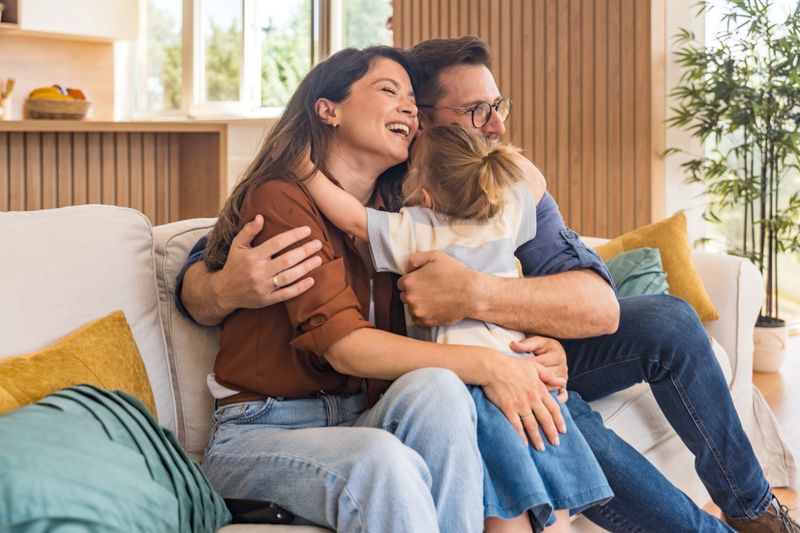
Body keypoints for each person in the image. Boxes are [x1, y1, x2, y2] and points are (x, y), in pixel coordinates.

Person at [177, 37, 799, 532]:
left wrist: (495, 308)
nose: (496, 125)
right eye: (476, 112)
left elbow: (595, 302)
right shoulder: (377, 188)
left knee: (666, 321)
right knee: (530, 405)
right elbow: (211, 259)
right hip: (427, 371)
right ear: (423, 121)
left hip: (485, 345)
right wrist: (219, 288)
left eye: (498, 107)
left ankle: (752, 508)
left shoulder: (497, 183)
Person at [196, 45, 574, 533]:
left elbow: (487, 273)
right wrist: (491, 365)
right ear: (328, 109)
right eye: (388, 90)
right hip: (264, 430)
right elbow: (346, 348)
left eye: (413, 100)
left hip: (362, 414)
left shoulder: (408, 210)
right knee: (382, 459)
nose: (409, 108)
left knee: (440, 387)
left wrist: (531, 349)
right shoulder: (280, 196)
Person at [304, 123, 614, 532]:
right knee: (553, 504)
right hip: (527, 373)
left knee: (505, 507)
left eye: (412, 170)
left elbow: (352, 218)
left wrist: (305, 170)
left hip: (475, 388)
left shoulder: (419, 228)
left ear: (426, 195)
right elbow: (535, 181)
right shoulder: (506, 215)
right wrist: (491, 154)